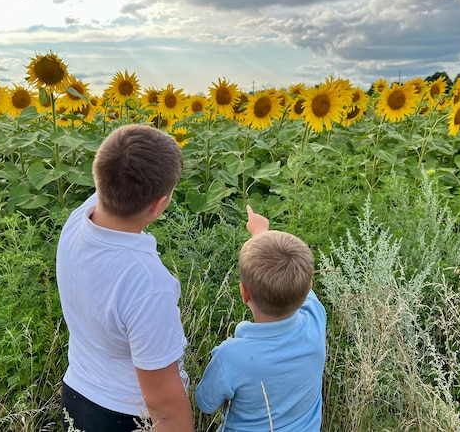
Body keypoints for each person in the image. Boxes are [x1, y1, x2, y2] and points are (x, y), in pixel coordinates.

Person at [56, 124, 194, 432]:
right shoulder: (147, 284)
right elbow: (163, 403)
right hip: (123, 417)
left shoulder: (79, 219)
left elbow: (119, 174)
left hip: (76, 393)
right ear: (158, 204)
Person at [195, 206, 327, 431]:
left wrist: (259, 231)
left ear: (244, 293)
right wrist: (261, 233)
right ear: (309, 289)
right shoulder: (315, 319)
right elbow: (301, 286)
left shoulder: (231, 357)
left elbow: (205, 403)